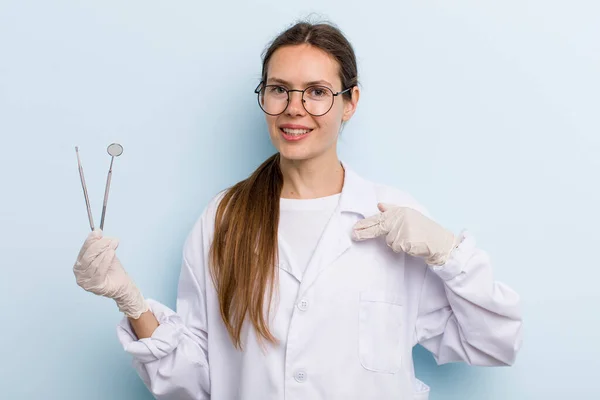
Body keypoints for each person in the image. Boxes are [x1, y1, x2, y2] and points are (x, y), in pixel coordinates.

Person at [73, 21, 523, 400]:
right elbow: (196, 380)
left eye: (317, 92)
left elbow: (493, 342)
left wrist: (449, 253)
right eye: (279, 90)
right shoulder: (224, 219)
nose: (295, 109)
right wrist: (130, 300)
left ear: (351, 102)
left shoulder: (396, 218)